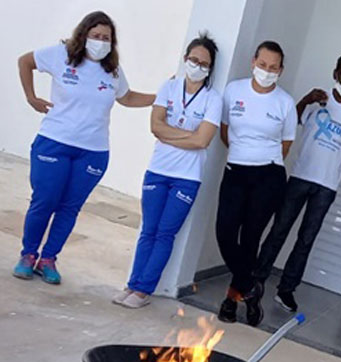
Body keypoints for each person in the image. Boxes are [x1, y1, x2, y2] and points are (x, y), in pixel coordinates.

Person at [13, 11, 155, 284]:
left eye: (106, 38)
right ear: (84, 34)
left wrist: (161, 98)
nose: (100, 42)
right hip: (54, 143)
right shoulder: (60, 54)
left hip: (93, 151)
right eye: (96, 36)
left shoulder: (112, 71)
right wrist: (31, 97)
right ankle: (28, 255)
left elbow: (127, 97)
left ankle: (48, 259)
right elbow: (24, 61)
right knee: (45, 201)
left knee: (69, 207)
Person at [250, 54, 341, 312]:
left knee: (306, 239)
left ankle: (286, 290)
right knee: (279, 230)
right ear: (335, 73)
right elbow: (291, 122)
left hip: (327, 185)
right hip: (300, 176)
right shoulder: (318, 99)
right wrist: (306, 100)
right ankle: (256, 280)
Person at [112, 34, 221, 308]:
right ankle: (132, 284)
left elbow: (202, 140)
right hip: (157, 171)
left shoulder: (213, 99)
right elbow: (155, 127)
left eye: (204, 63)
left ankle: (143, 291)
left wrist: (170, 135)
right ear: (185, 59)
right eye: (194, 60)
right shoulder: (168, 87)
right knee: (148, 230)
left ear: (211, 69)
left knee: (164, 233)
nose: (197, 66)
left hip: (187, 178)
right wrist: (186, 136)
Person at [216, 41, 297, 326]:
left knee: (250, 240)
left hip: (268, 175)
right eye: (262, 65)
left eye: (273, 67)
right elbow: (225, 131)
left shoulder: (285, 103)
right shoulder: (233, 90)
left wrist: (261, 160)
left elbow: (286, 144)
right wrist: (243, 155)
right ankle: (250, 290)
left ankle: (230, 301)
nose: (266, 71)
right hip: (236, 169)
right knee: (225, 233)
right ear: (253, 62)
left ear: (281, 71)